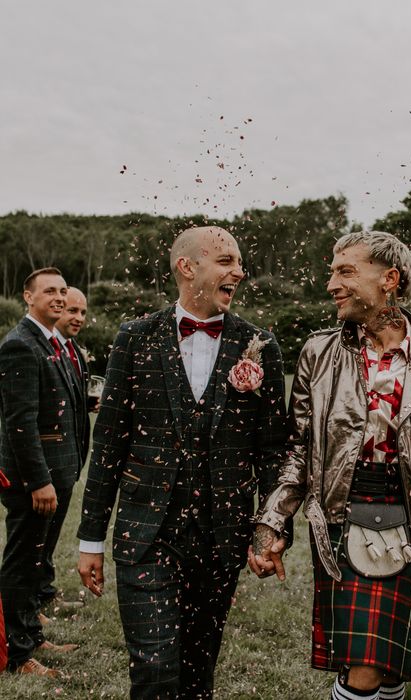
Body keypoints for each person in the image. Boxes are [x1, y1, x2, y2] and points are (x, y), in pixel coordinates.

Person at [252, 231, 411, 700]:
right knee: (366, 669)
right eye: (332, 271)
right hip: (341, 517)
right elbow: (299, 451)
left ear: (389, 280)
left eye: (345, 271)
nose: (331, 284)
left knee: (388, 668)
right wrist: (272, 522)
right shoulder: (318, 353)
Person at [76, 226, 287, 699]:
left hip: (221, 537)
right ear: (187, 267)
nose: (240, 270)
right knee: (153, 669)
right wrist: (90, 538)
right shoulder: (134, 338)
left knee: (198, 669)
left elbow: (273, 450)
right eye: (226, 260)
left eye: (239, 261)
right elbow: (108, 445)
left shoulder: (261, 346)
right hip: (145, 534)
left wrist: (267, 530)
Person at [0, 268, 86, 678]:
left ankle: (32, 634)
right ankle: (17, 656)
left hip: (59, 473)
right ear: (27, 297)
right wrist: (39, 481)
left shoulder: (54, 343)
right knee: (21, 565)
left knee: (37, 561)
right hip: (35, 481)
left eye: (62, 290)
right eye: (49, 291)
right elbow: (20, 420)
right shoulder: (19, 345)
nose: (58, 297)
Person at [30, 287, 93, 614]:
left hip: (69, 461)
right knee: (35, 540)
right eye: (72, 311)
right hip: (46, 463)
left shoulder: (72, 351)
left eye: (83, 313)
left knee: (49, 538)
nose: (78, 318)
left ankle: (43, 593)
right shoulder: (39, 350)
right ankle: (34, 602)